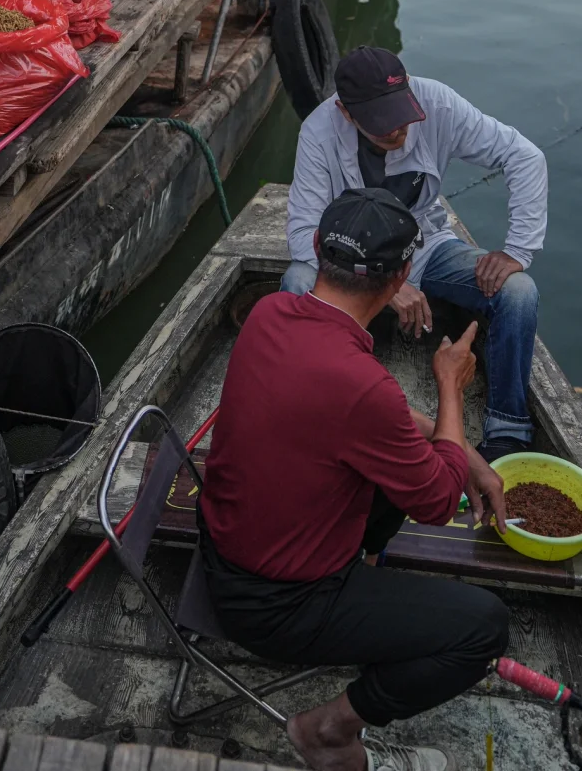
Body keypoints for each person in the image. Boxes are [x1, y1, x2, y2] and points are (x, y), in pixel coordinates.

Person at [199, 187, 510, 771]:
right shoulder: (360, 385)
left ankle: (363, 590)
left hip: (226, 551)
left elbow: (383, 419)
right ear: (403, 278)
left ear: (315, 249)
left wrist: (463, 451)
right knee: (483, 628)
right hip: (275, 606)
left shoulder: (269, 313)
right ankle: (328, 732)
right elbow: (440, 501)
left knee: (400, 463)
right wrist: (450, 386)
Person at [283, 46, 545, 460]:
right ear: (346, 113)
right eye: (380, 122)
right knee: (297, 284)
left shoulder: (439, 102)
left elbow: (525, 156)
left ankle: (507, 429)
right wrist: (384, 285)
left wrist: (517, 249)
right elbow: (303, 232)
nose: (396, 130)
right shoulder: (319, 131)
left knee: (519, 291)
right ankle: (307, 412)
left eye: (401, 115)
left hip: (424, 244)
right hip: (350, 257)